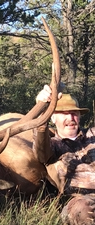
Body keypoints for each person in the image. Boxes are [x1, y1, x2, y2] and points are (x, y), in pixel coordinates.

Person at [34, 84, 95, 225]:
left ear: (80, 116)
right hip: (79, 201)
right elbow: (41, 152)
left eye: (74, 113)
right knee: (84, 210)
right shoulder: (53, 145)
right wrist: (42, 113)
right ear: (53, 118)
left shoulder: (92, 134)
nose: (71, 117)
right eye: (64, 113)